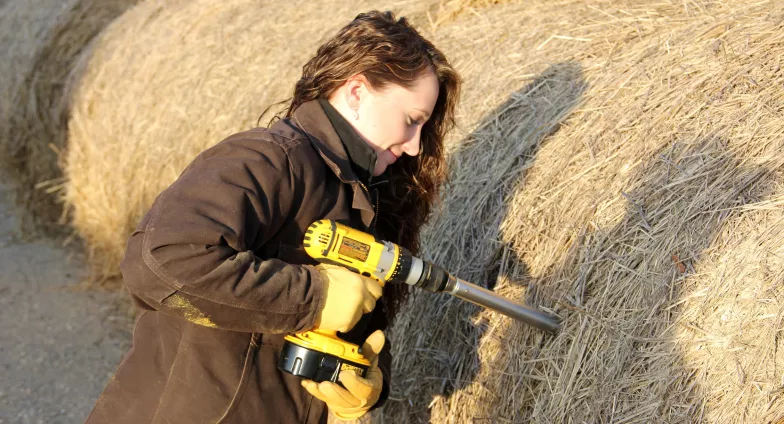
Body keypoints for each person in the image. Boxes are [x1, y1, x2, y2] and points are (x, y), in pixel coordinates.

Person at [86, 10, 460, 424]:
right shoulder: (267, 158)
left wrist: (366, 381)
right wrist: (314, 298)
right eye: (411, 121)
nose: (414, 146)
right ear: (356, 92)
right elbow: (159, 261)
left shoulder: (360, 200)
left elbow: (344, 322)